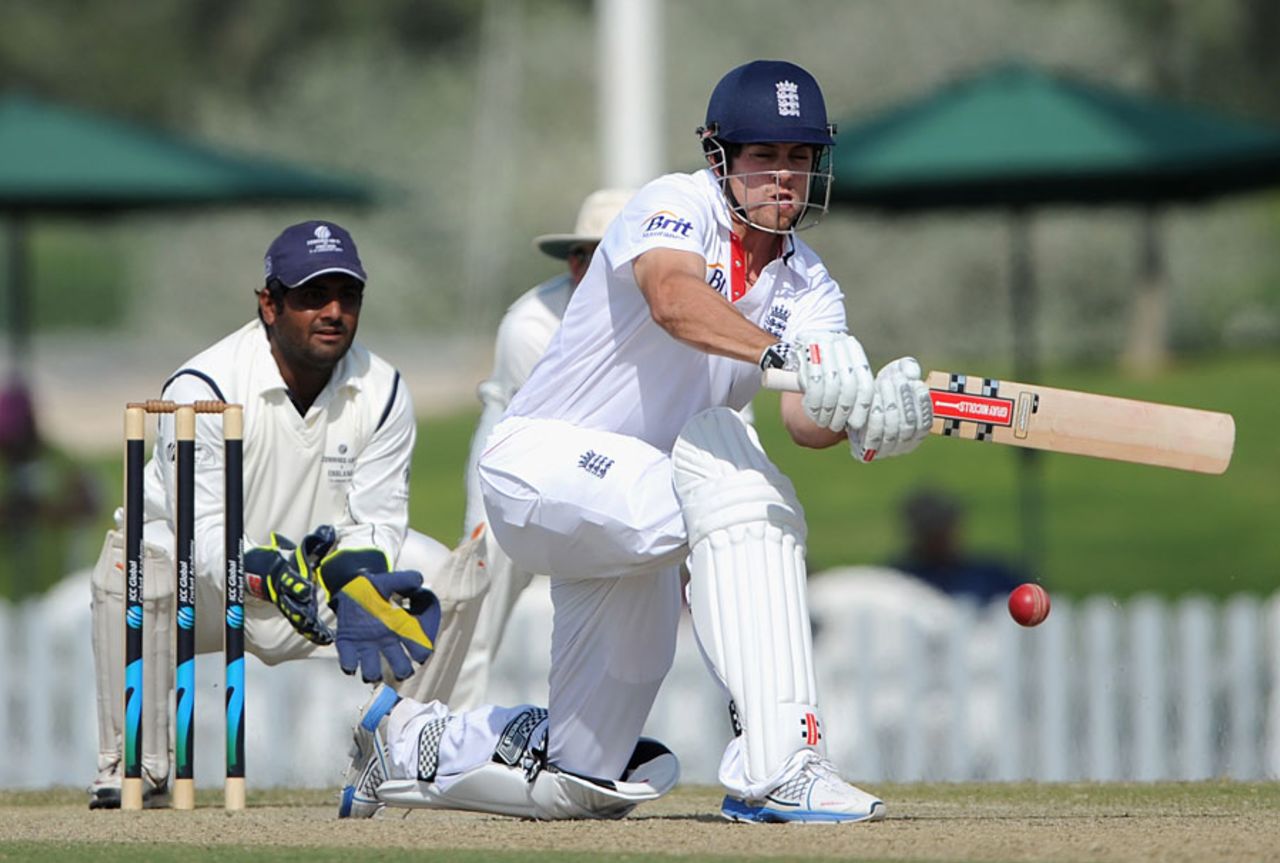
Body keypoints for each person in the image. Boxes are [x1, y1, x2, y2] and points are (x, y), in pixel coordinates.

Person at [338, 60, 934, 824]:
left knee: (579, 783)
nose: (784, 176)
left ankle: (410, 738)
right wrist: (787, 356)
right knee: (734, 470)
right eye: (764, 156)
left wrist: (867, 421)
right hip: (544, 467)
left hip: (638, 516)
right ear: (719, 156)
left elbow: (804, 420)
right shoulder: (674, 203)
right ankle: (784, 762)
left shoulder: (809, 284)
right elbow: (672, 299)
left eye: (800, 158)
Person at [88, 220, 485, 809]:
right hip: (205, 588)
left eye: (346, 296)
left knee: (447, 576)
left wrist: (356, 581)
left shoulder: (383, 389)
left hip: (313, 582)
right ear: (269, 305)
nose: (332, 311)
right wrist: (268, 572)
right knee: (137, 561)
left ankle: (395, 758)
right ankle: (137, 764)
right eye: (310, 298)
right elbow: (202, 528)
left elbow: (375, 519)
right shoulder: (203, 386)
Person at [448, 187, 635, 710]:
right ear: (575, 263)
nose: (606, 270)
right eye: (593, 256)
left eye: (623, 256)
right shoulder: (531, 323)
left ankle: (593, 747)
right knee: (479, 592)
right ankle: (443, 734)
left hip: (619, 462)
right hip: (516, 459)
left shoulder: (674, 311)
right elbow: (570, 436)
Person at [0, 380, 99, 599]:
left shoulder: (60, 460)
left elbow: (91, 504)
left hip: (56, 588)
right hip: (6, 593)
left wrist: (46, 510)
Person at [893, 488, 1025, 604]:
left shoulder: (992, 575)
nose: (936, 534)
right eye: (928, 527)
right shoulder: (897, 581)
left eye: (942, 524)